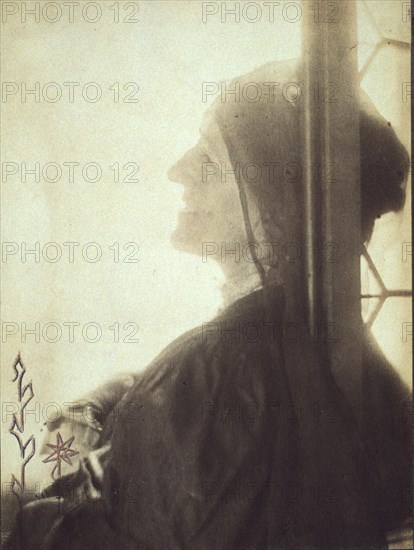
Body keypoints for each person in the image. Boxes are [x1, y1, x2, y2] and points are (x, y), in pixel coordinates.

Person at [5, 59, 411, 550]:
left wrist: (42, 505)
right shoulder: (317, 339)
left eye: (211, 162)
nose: (178, 170)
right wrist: (111, 397)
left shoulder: (218, 368)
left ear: (274, 206)